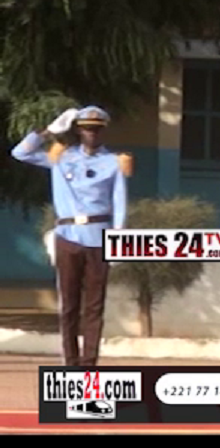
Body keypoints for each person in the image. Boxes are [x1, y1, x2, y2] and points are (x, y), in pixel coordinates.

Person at [11, 106, 130, 367]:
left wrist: (119, 238)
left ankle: (89, 363)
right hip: (67, 236)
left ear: (103, 132)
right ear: (78, 130)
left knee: (94, 307)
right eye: (87, 129)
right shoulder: (61, 157)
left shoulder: (113, 162)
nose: (92, 134)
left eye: (97, 130)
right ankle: (71, 362)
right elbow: (20, 153)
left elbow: (119, 202)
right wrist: (48, 131)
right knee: (69, 306)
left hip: (99, 237)